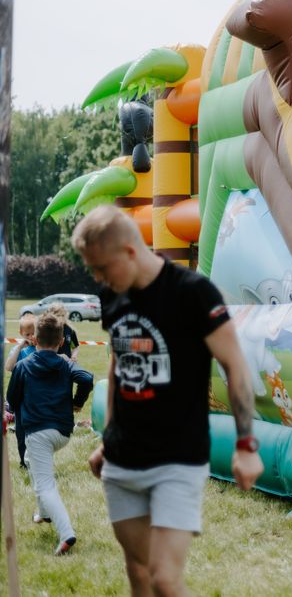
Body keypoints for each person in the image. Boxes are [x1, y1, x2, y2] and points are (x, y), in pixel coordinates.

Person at [71, 205, 264, 596]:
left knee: (164, 579)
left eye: (102, 268)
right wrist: (107, 438)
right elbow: (119, 360)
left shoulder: (192, 293)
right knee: (138, 574)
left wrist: (246, 445)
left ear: (129, 251)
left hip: (178, 459)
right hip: (123, 460)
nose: (98, 278)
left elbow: (236, 365)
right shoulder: (113, 293)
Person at [6, 312, 94, 555]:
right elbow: (86, 378)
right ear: (60, 342)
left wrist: (13, 408)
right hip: (63, 433)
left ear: (35, 339)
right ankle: (43, 513)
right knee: (29, 461)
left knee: (45, 483)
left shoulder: (23, 366)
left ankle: (66, 532)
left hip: (37, 432)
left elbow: (12, 399)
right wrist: (77, 403)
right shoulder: (65, 363)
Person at [6, 313, 39, 468]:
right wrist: (20, 346)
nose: (31, 336)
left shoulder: (42, 349)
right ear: (21, 334)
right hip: (21, 398)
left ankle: (36, 460)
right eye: (27, 334)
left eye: (34, 333)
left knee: (37, 432)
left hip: (37, 397)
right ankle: (23, 462)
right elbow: (8, 367)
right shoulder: (18, 350)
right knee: (21, 432)